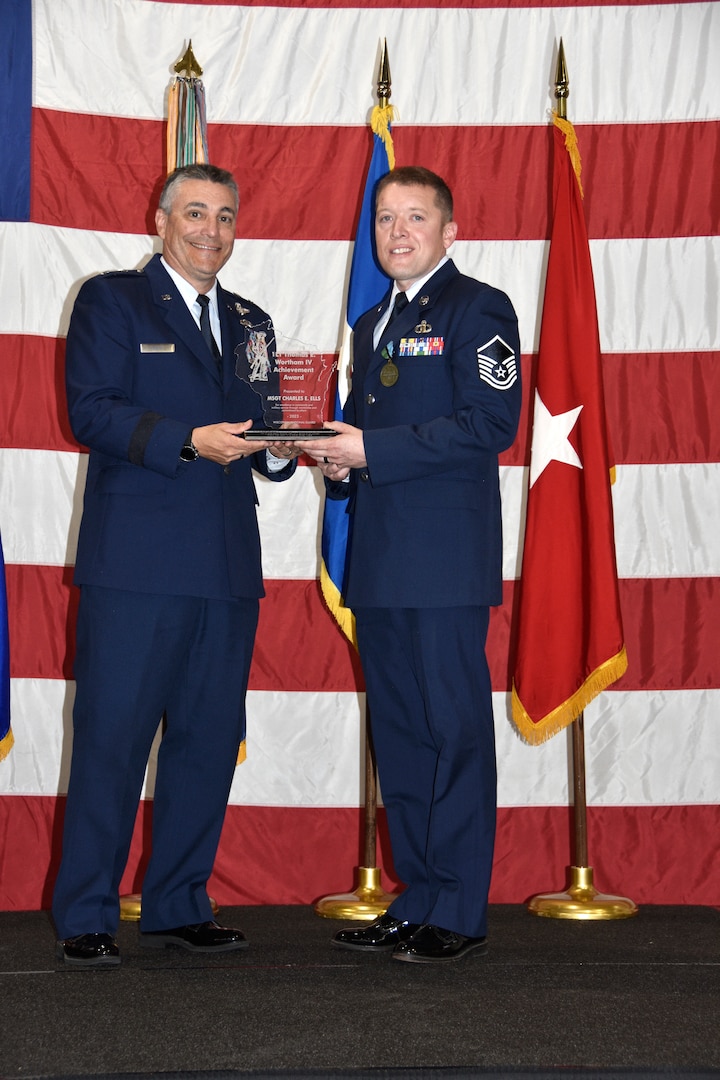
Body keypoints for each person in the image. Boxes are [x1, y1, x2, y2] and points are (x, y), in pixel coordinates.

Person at [53, 163, 299, 967]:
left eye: (226, 216)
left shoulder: (252, 320)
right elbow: (91, 409)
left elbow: (262, 431)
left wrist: (292, 451)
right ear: (161, 220)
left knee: (205, 741)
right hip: (136, 567)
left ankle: (179, 901)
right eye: (195, 213)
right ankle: (87, 911)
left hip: (226, 568)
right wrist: (188, 440)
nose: (212, 231)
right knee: (112, 741)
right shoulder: (111, 301)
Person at [295, 166, 521, 964]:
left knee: (451, 730)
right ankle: (419, 894)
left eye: (415, 218)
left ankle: (457, 910)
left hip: (444, 560)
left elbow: (491, 420)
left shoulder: (478, 308)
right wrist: (340, 459)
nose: (397, 233)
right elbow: (372, 428)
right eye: (385, 219)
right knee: (399, 734)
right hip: (383, 558)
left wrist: (371, 448)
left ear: (449, 231)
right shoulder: (373, 321)